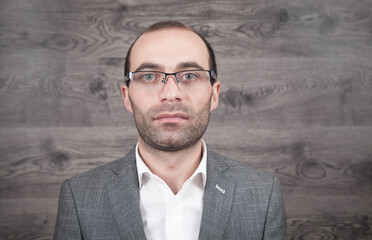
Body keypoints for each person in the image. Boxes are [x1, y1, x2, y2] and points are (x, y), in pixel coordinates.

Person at [54, 20, 287, 240]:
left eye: (189, 75)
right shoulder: (79, 197)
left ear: (214, 94)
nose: (170, 93)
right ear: (127, 97)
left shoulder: (263, 195)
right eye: (148, 76)